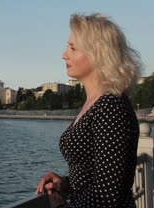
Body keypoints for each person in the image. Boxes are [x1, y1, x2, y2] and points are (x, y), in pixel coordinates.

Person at [36, 13, 142, 207]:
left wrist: (61, 206)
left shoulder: (111, 107)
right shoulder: (96, 103)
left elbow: (107, 196)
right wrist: (65, 183)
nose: (64, 54)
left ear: (98, 54)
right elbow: (95, 174)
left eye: (73, 48)